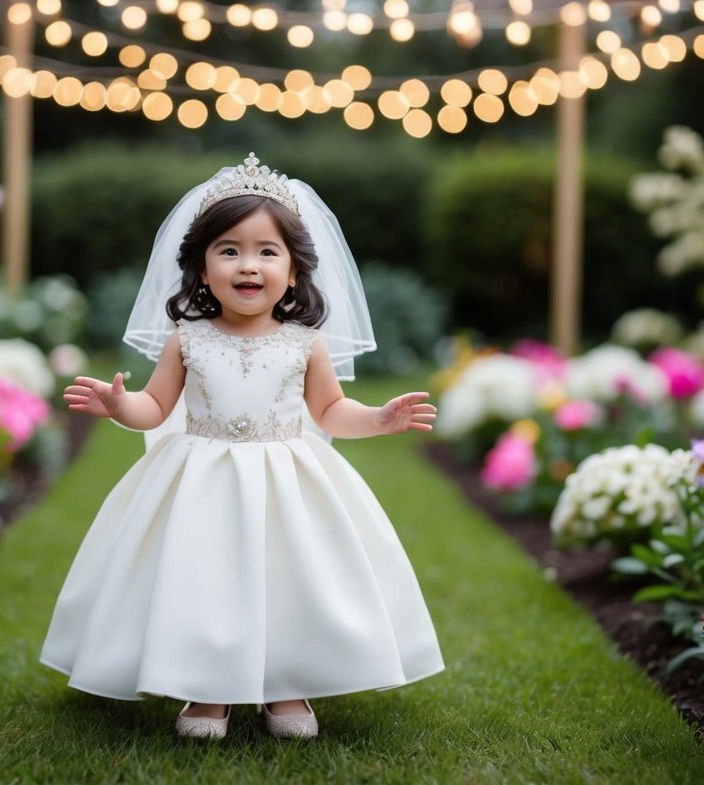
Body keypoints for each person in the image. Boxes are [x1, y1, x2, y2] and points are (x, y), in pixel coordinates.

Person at [40, 153, 444, 740]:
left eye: (266, 251)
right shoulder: (188, 339)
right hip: (201, 478)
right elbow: (155, 407)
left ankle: (287, 683)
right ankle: (207, 691)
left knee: (290, 573)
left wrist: (379, 418)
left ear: (295, 270)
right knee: (204, 576)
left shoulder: (305, 343)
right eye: (229, 250)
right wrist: (118, 406)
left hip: (287, 477)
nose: (247, 264)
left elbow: (330, 410)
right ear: (202, 269)